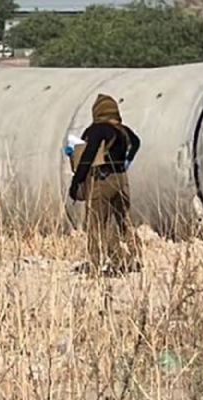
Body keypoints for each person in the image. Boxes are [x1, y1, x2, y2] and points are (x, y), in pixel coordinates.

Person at [69, 94, 142, 276]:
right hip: (121, 179)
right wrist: (127, 159)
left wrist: (76, 181)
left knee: (97, 224)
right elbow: (137, 142)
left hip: (102, 180)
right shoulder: (124, 131)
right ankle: (136, 256)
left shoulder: (97, 129)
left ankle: (99, 264)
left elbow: (87, 155)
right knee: (123, 220)